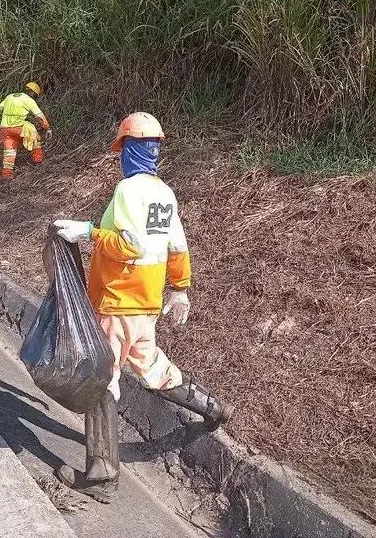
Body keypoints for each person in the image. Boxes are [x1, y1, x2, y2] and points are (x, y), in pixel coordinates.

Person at [52, 112, 233, 503]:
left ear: (128, 150)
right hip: (145, 304)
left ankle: (101, 477)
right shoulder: (165, 193)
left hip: (118, 300)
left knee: (102, 379)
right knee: (151, 367)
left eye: (124, 149)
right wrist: (180, 289)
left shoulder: (128, 191)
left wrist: (86, 232)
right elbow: (177, 246)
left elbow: (128, 245)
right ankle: (214, 408)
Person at [0, 81, 52, 180]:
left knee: (9, 152)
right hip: (19, 128)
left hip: (4, 129)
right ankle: (38, 160)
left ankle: (6, 174)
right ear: (33, 93)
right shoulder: (29, 100)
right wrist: (47, 128)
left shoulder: (9, 96)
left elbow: (0, 109)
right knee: (34, 136)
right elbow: (39, 116)